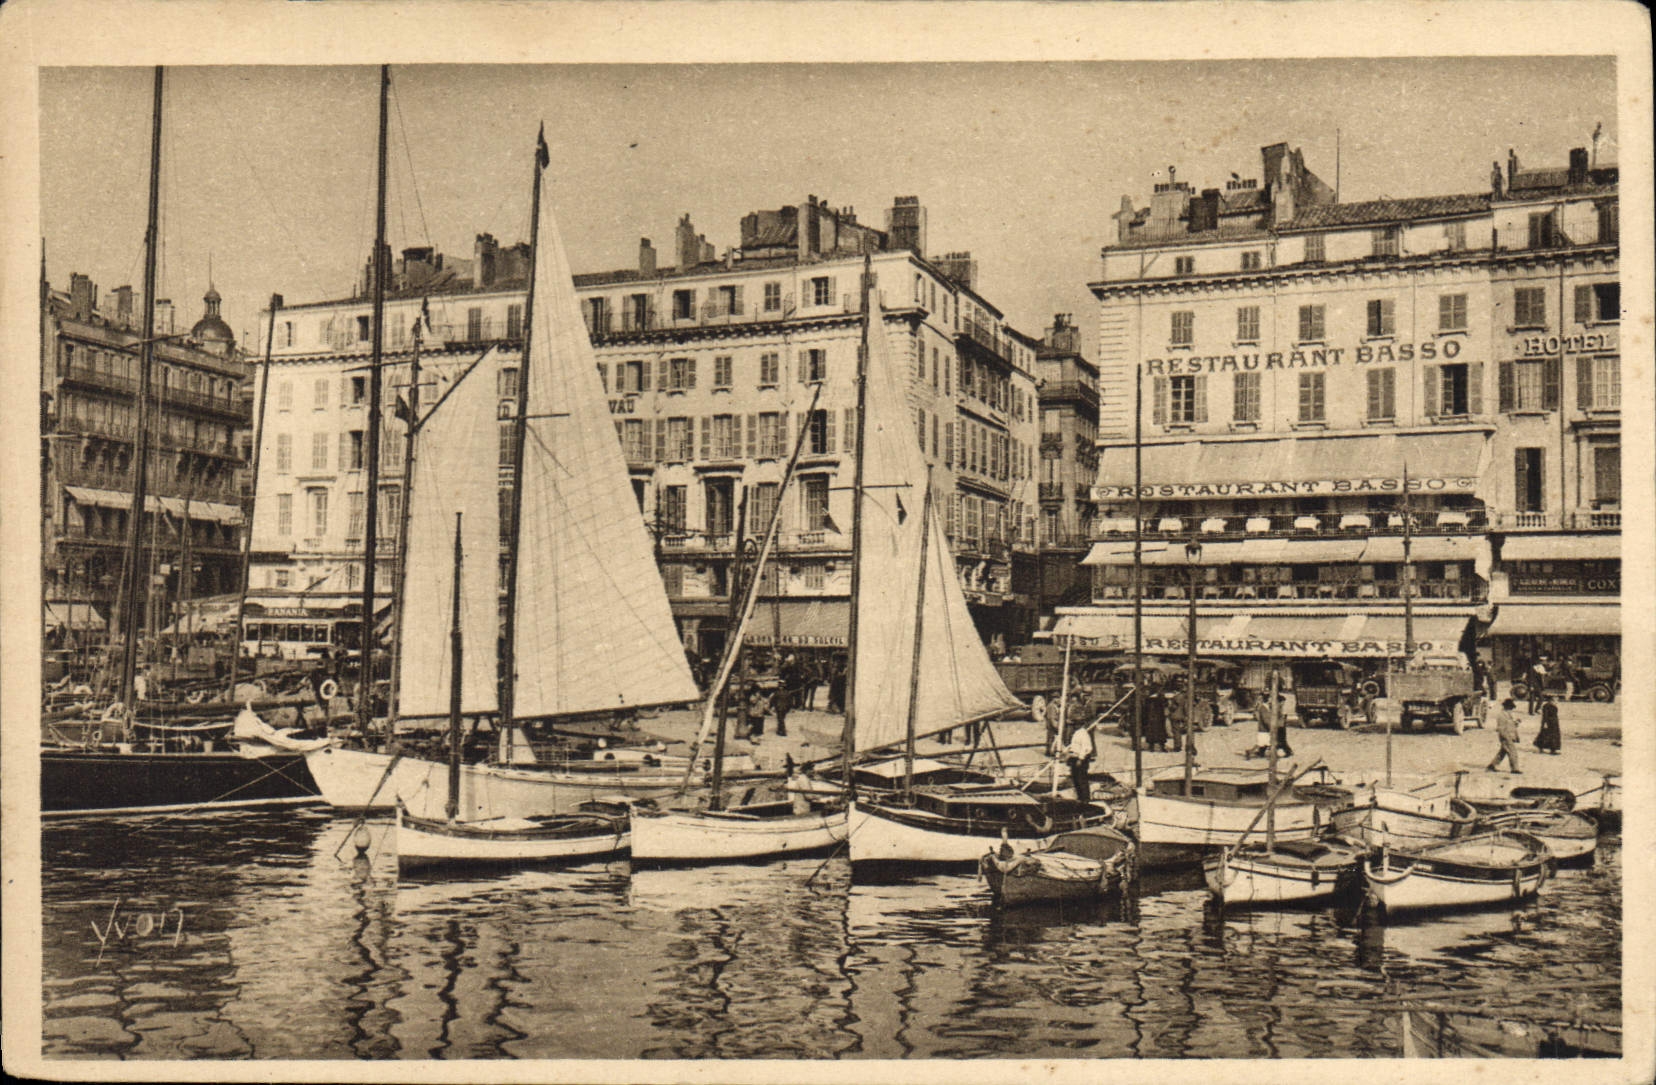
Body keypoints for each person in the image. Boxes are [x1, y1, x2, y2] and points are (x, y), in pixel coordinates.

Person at [1064, 720, 1096, 803]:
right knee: (1075, 779)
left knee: (1081, 779)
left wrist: (1081, 759)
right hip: (1074, 757)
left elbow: (1086, 748)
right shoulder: (1076, 733)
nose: (1075, 726)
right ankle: (1080, 798)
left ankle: (1085, 799)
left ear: (1081, 724)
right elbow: (1074, 745)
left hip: (1081, 759)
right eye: (1075, 724)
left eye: (1077, 724)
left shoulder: (1083, 734)